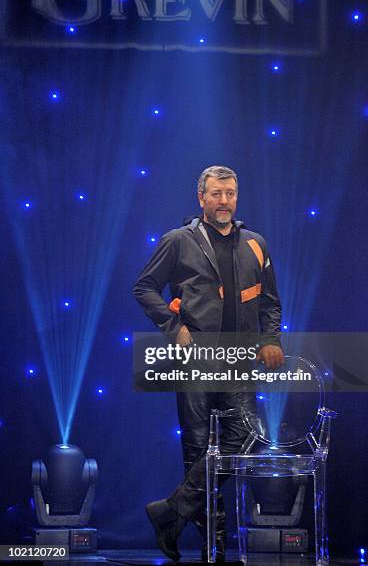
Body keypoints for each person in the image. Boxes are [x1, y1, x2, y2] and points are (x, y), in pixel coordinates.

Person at [133, 165, 284, 562]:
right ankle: (211, 548)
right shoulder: (177, 240)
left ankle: (170, 513)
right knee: (198, 452)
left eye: (230, 193)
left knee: (246, 440)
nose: (224, 201)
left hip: (238, 361)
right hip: (196, 359)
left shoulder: (255, 242)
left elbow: (270, 301)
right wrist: (173, 327)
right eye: (216, 194)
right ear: (201, 197)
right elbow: (144, 287)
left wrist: (270, 339)